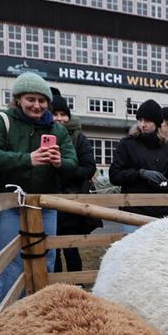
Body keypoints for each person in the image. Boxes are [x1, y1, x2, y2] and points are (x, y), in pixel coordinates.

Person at [0, 72, 77, 303]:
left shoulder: (58, 130)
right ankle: (10, 315)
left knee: (47, 259)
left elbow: (74, 165)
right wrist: (27, 159)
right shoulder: (1, 121)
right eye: (31, 99)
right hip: (10, 203)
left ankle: (42, 311)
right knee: (12, 265)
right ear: (18, 99)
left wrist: (60, 163)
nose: (37, 105)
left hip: (46, 204)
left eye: (42, 101)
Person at [109, 99, 168, 232]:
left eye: (147, 121)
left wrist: (164, 184)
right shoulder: (127, 144)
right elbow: (114, 175)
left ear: (157, 123)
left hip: (161, 214)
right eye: (140, 120)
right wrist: (140, 173)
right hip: (133, 212)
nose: (142, 124)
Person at [50, 94, 98, 273]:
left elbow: (89, 168)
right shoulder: (43, 134)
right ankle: (56, 287)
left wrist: (64, 168)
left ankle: (76, 284)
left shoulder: (79, 138)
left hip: (72, 202)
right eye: (55, 114)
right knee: (51, 249)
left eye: (63, 114)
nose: (59, 118)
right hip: (48, 199)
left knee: (71, 248)